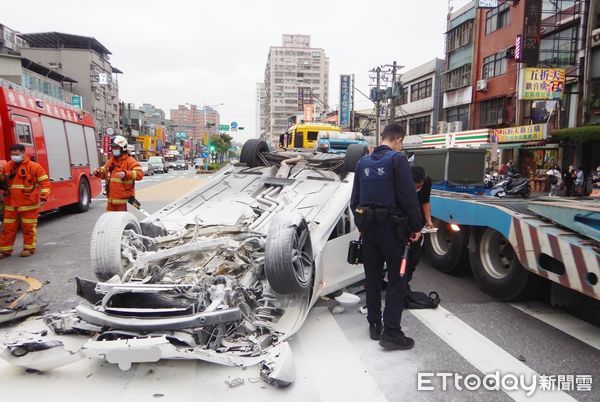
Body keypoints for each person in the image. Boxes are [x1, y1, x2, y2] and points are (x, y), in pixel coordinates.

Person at [350, 123, 423, 351]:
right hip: (393, 231)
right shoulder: (397, 160)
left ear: (383, 137)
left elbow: (355, 201)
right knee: (397, 279)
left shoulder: (362, 162)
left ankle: (374, 325)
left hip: (369, 230)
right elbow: (408, 197)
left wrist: (362, 224)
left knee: (372, 277)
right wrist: (416, 227)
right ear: (398, 140)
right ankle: (392, 332)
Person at [0, 144, 50, 258]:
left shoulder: (34, 167)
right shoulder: (7, 167)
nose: (14, 156)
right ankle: (5, 250)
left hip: (28, 205)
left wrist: (43, 197)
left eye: (17, 154)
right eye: (12, 154)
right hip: (10, 205)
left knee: (28, 228)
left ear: (23, 153)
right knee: (7, 229)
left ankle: (28, 248)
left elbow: (45, 183)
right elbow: (3, 180)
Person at [94, 135, 143, 211]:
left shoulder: (129, 161)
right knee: (112, 221)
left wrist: (126, 174)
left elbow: (139, 174)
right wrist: (98, 172)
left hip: (124, 203)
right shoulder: (111, 161)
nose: (114, 150)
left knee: (123, 222)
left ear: (123, 148)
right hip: (111, 202)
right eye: (112, 148)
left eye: (116, 148)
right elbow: (104, 173)